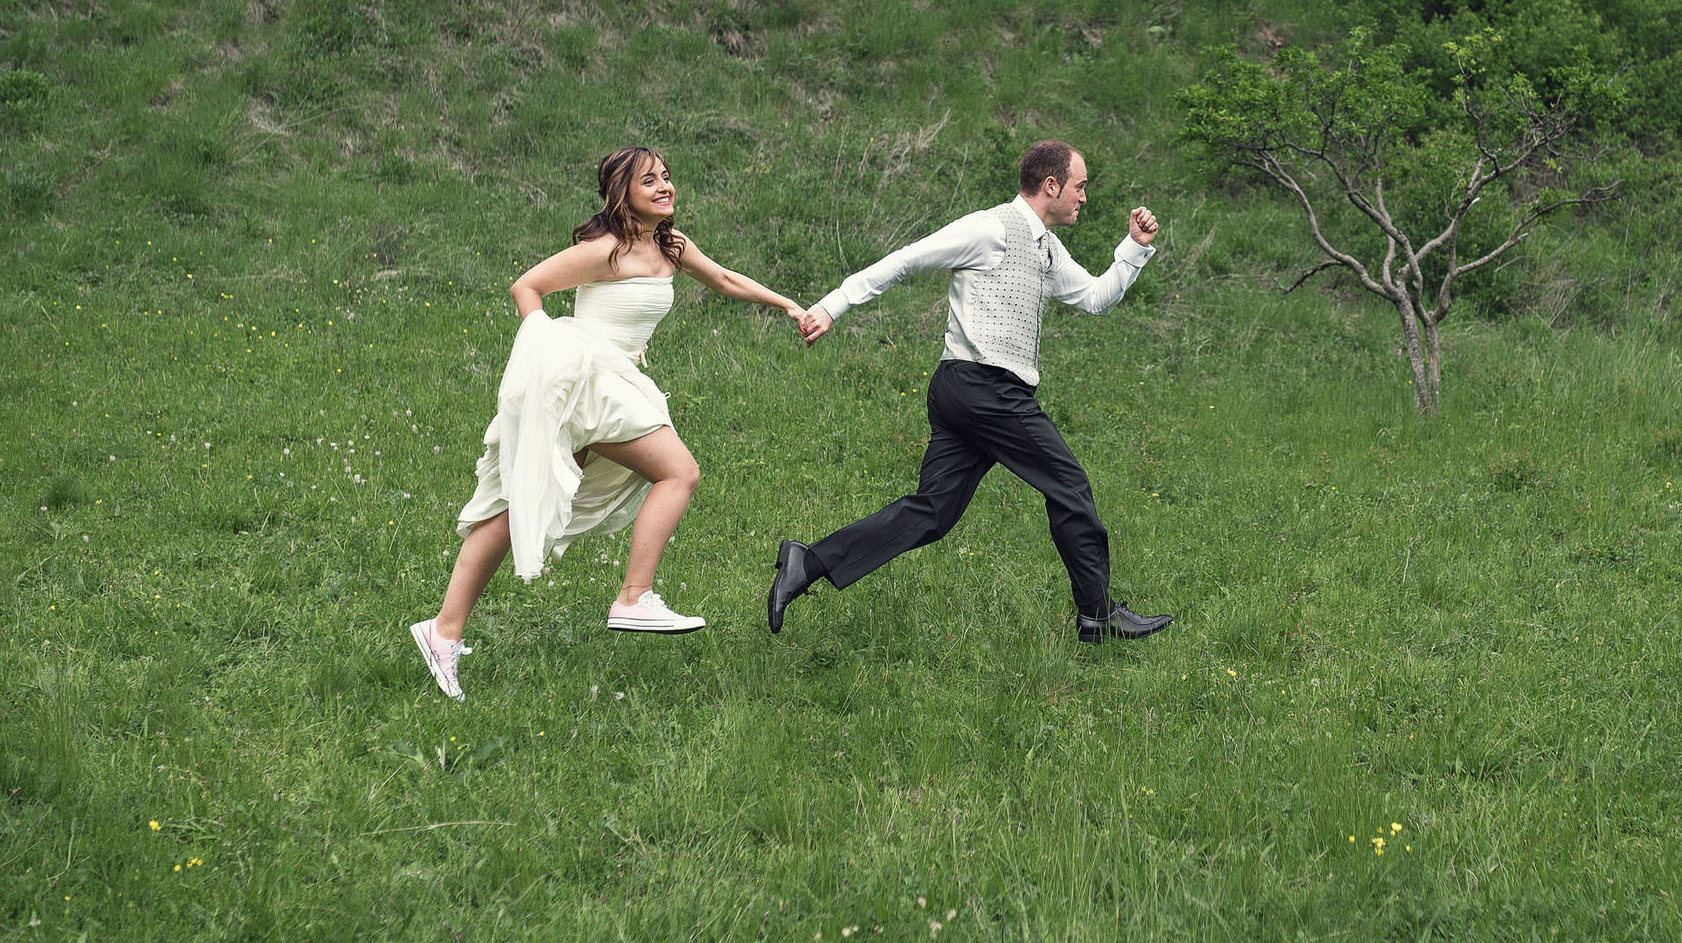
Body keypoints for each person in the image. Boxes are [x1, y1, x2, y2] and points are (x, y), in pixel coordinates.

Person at [412, 146, 806, 700]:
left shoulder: (670, 245)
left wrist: (788, 305)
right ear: (623, 193)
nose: (665, 186)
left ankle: (442, 631)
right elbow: (527, 287)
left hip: (616, 378)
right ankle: (633, 597)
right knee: (679, 472)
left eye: (667, 177)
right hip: (588, 378)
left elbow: (723, 279)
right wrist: (548, 356)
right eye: (650, 181)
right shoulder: (604, 251)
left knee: (515, 506)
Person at [766, 139, 1175, 644]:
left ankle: (807, 562)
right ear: (1051, 186)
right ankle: (1097, 614)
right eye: (1080, 186)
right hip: (985, 387)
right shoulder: (990, 229)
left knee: (933, 513)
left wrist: (1134, 247)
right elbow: (906, 259)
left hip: (967, 392)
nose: (1084, 198)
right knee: (1069, 487)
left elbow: (1095, 298)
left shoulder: (1047, 247)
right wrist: (833, 305)